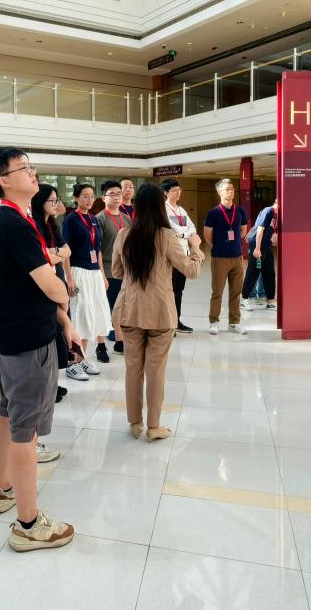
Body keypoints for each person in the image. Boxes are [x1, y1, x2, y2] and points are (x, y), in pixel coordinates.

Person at [0, 146, 75, 552]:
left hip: (16, 334)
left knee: (10, 415)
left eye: (31, 166)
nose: (32, 173)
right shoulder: (13, 223)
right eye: (24, 168)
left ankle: (5, 488)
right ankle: (28, 523)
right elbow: (51, 284)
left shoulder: (16, 217)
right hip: (27, 340)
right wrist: (64, 294)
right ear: (4, 180)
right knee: (26, 430)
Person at [113, 184, 203, 442]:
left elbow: (117, 272)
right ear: (159, 207)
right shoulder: (167, 236)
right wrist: (196, 248)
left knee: (132, 368)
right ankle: (154, 426)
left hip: (129, 309)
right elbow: (191, 271)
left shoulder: (123, 235)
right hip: (160, 312)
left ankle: (135, 423)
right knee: (156, 370)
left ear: (137, 207)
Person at [61, 183, 108, 377]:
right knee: (79, 316)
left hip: (94, 272)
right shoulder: (71, 220)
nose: (89, 200)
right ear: (76, 198)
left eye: (92, 196)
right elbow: (65, 251)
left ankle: (82, 360)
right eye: (85, 196)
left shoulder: (93, 219)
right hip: (77, 271)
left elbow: (97, 249)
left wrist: (102, 275)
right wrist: (69, 278)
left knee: (91, 315)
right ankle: (72, 363)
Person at [31, 184, 73, 403]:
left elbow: (67, 250)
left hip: (57, 278)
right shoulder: (34, 224)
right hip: (45, 282)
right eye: (52, 200)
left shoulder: (52, 224)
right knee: (51, 333)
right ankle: (47, 386)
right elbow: (41, 256)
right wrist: (55, 254)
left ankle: (53, 383)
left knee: (58, 336)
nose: (57, 204)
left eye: (57, 200)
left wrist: (53, 254)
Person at [203, 178, 247, 336]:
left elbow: (243, 230)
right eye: (227, 189)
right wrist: (217, 245)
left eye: (232, 189)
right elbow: (207, 234)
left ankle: (234, 323)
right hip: (219, 258)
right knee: (217, 292)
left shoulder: (240, 210)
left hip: (237, 257)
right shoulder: (213, 212)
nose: (231, 191)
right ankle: (214, 322)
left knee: (236, 292)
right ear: (219, 192)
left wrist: (234, 243)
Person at [161, 178, 197, 334]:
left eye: (179, 190)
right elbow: (173, 229)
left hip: (184, 255)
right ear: (166, 192)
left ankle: (177, 321)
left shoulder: (181, 210)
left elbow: (192, 228)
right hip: (171, 255)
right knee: (170, 290)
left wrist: (184, 233)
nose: (178, 193)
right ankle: (169, 323)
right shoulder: (164, 209)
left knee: (179, 290)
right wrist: (185, 233)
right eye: (174, 190)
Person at [96, 180, 128, 354]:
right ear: (103, 198)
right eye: (112, 194)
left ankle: (120, 338)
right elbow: (97, 249)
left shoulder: (126, 218)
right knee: (112, 306)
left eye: (119, 194)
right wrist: (101, 274)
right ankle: (116, 340)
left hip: (125, 270)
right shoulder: (99, 219)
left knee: (122, 306)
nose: (116, 197)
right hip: (108, 270)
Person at [244, 198, 278, 310]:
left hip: (266, 246)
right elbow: (260, 229)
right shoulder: (268, 211)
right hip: (257, 246)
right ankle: (245, 300)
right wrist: (257, 248)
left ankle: (270, 301)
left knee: (270, 274)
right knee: (253, 272)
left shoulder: (277, 215)